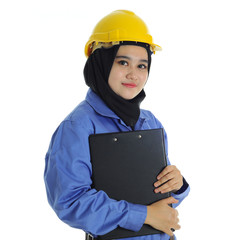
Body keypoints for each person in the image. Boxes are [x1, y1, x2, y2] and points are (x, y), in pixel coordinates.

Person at [44, 10, 190, 240]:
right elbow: (70, 201)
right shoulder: (77, 126)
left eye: (142, 65)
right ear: (100, 63)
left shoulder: (150, 122)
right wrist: (143, 215)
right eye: (123, 62)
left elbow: (160, 197)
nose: (134, 74)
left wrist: (177, 185)